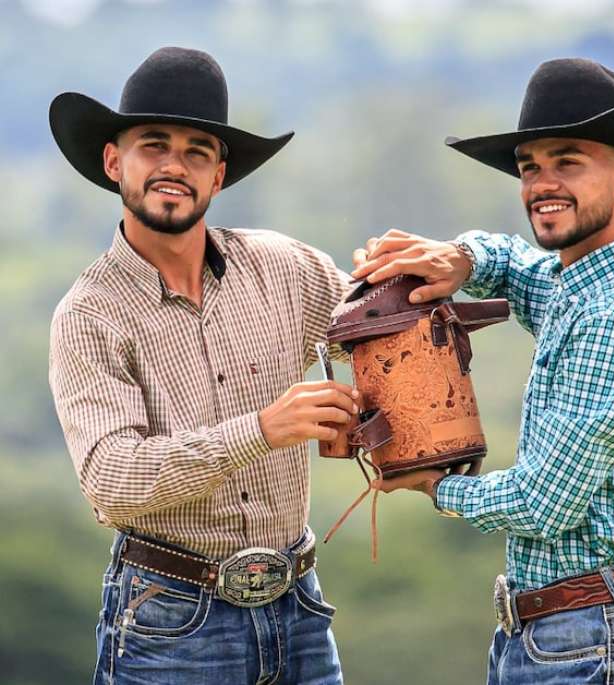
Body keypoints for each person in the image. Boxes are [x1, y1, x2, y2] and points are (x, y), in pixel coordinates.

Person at [352, 57, 614, 684]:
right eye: (530, 167)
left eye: (568, 161)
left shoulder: (611, 317)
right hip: (582, 629)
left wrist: (433, 484)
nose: (543, 183)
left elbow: (544, 504)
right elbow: (522, 268)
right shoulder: (595, 279)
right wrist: (462, 257)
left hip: (595, 636)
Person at [48, 46, 358, 685]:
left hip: (299, 605)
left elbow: (383, 330)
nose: (174, 166)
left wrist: (439, 266)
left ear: (219, 176)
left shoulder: (285, 267)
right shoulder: (89, 315)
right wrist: (264, 430)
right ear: (114, 162)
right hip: (171, 620)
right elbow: (111, 481)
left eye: (197, 151)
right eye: (153, 145)